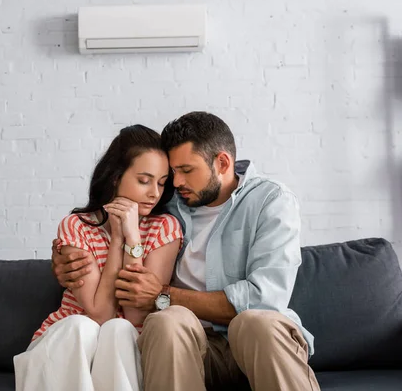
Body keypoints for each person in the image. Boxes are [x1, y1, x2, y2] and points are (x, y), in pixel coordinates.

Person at [52, 112, 321, 391]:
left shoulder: (271, 200)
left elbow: (266, 298)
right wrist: (61, 256)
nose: (175, 182)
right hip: (192, 344)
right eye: (174, 173)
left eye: (187, 171)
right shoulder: (169, 206)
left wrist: (162, 295)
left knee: (253, 322)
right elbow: (105, 229)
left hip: (257, 340)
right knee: (167, 322)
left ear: (222, 163)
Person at [14, 125, 183, 391]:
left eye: (161, 183)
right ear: (116, 177)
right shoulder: (77, 226)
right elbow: (98, 312)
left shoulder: (164, 228)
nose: (154, 193)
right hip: (69, 345)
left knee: (120, 330)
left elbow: (136, 314)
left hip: (126, 350)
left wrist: (133, 239)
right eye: (144, 180)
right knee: (82, 326)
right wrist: (117, 240)